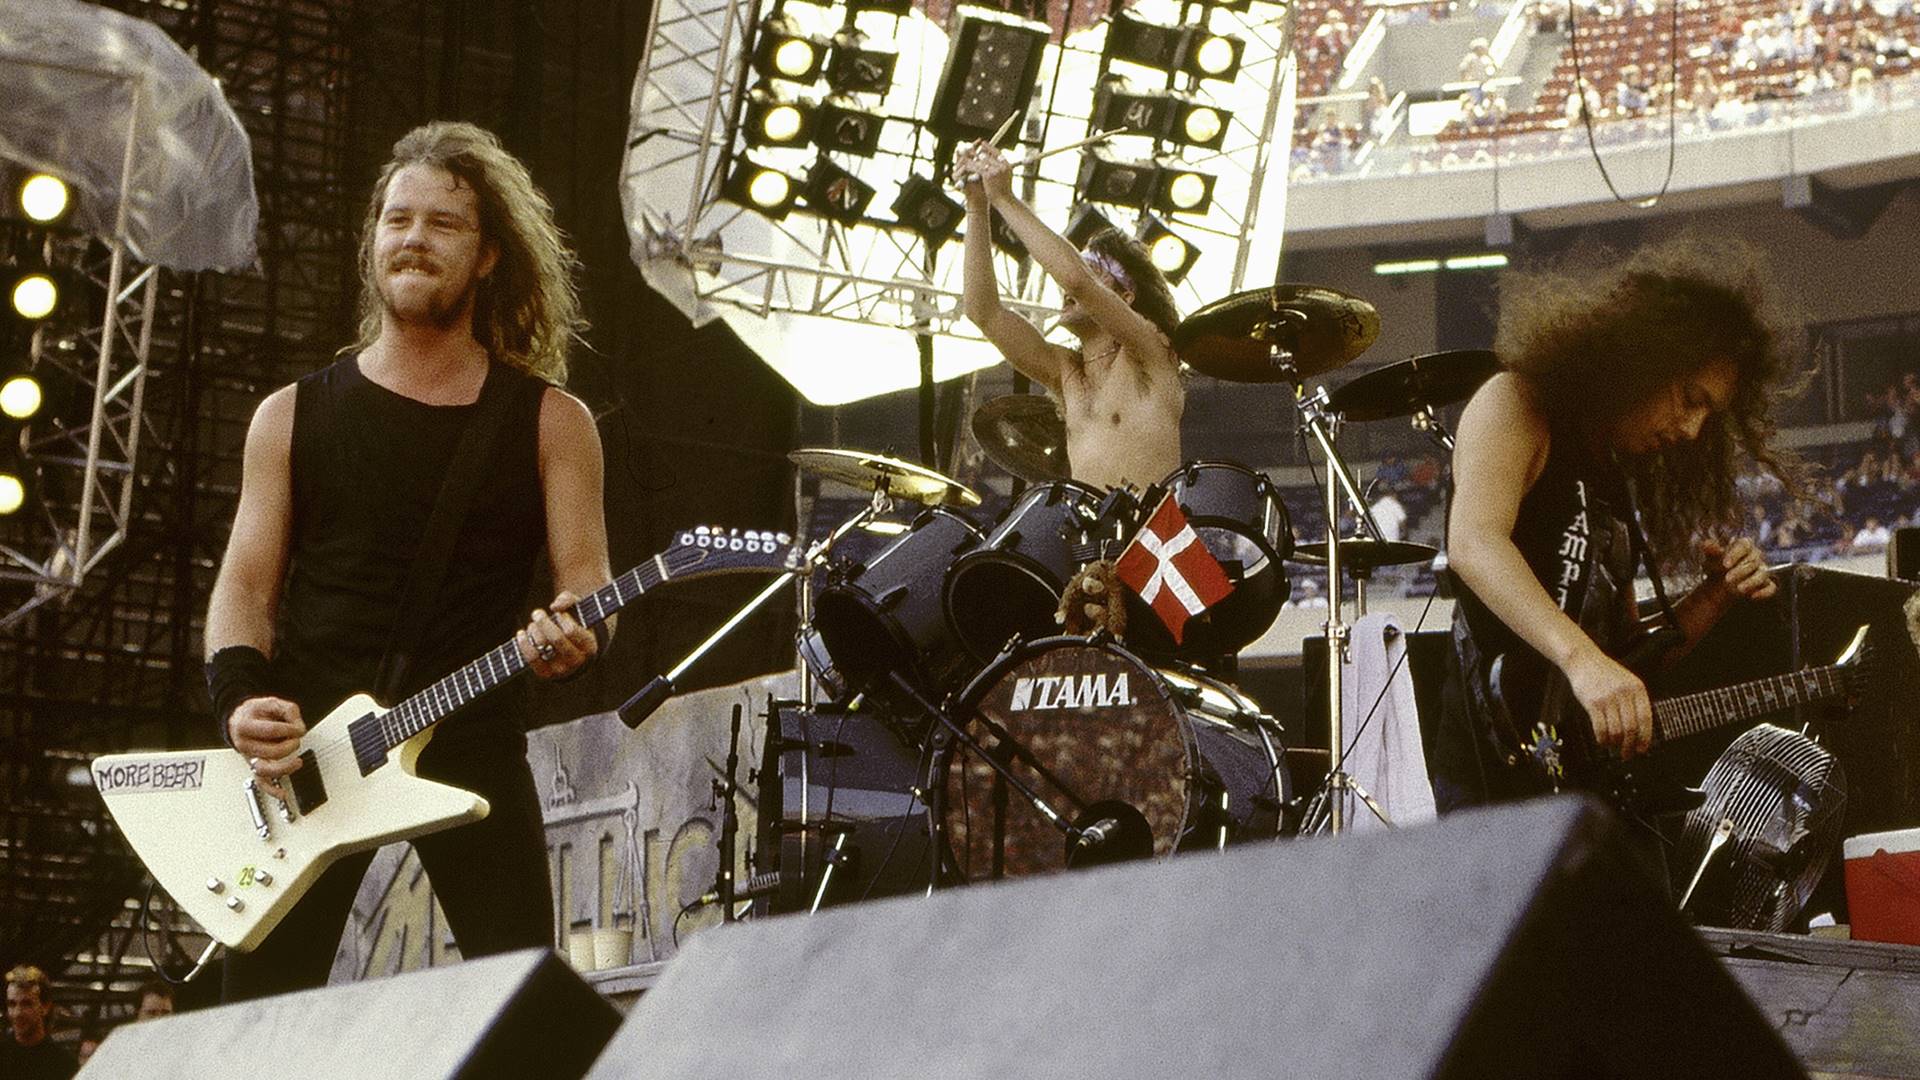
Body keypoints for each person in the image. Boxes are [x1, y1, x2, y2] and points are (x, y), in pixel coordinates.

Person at [203, 121, 611, 1001]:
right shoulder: (290, 415)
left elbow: (591, 587)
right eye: (397, 219)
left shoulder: (552, 422)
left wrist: (578, 632)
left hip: (468, 735)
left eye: (443, 223)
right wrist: (238, 695)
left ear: (491, 256)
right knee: (256, 1028)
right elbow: (244, 581)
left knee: (522, 1011)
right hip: (309, 759)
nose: (413, 238)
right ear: (372, 242)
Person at [1434, 238, 1798, 815]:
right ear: (1639, 359)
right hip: (1491, 781)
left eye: (1710, 415)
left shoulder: (1611, 478)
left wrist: (1716, 596)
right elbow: (1473, 543)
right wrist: (1583, 660)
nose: (1693, 429)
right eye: (1689, 398)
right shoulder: (1517, 401)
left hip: (1578, 791)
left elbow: (1626, 659)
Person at [956, 140, 1183, 491]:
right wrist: (977, 206)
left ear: (1126, 295)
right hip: (1097, 544)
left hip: (1156, 539)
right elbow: (983, 312)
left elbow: (1076, 281)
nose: (1066, 284)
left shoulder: (1151, 347)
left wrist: (1005, 199)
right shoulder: (1066, 371)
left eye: (1097, 269)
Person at [3, 965, 77, 1079]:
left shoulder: (63, 1065)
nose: (18, 1013)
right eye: (12, 1004)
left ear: (45, 1006)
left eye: (27, 1004)